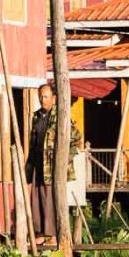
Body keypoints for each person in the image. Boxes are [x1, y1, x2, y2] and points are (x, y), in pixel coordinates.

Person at [25, 84, 82, 244]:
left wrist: (65, 159)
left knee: (50, 199)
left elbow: (77, 139)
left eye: (46, 97)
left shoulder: (60, 116)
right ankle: (40, 233)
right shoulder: (37, 116)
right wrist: (28, 168)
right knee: (36, 198)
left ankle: (54, 235)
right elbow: (33, 143)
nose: (43, 100)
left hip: (52, 166)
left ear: (54, 98)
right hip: (38, 163)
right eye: (41, 96)